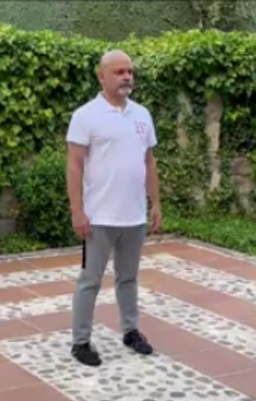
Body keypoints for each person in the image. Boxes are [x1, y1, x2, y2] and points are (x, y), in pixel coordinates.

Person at [65, 49, 162, 367]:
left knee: (128, 278)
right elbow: (74, 166)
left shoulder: (142, 115)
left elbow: (149, 162)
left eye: (129, 71)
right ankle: (81, 342)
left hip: (133, 217)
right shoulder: (85, 116)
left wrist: (155, 203)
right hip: (99, 218)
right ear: (101, 76)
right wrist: (77, 210)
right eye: (119, 72)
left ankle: (131, 331)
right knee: (90, 280)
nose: (127, 77)